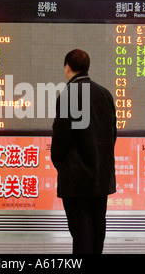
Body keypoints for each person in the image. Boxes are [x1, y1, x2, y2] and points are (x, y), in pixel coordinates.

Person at [51, 49, 117, 254]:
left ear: (67, 67)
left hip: (76, 178)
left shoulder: (69, 94)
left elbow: (61, 137)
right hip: (100, 176)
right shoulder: (104, 94)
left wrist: (59, 163)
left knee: (81, 232)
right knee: (98, 229)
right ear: (87, 68)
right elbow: (112, 134)